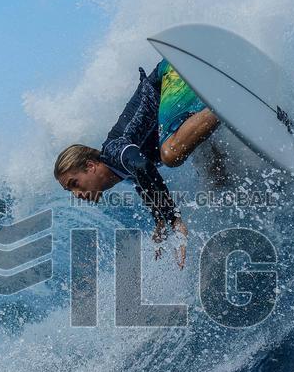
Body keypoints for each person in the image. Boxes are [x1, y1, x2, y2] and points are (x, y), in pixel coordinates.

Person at [54, 59, 221, 269]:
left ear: (89, 166)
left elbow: (143, 166)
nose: (76, 194)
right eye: (70, 190)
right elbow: (144, 182)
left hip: (174, 74)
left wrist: (174, 220)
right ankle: (230, 110)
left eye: (74, 183)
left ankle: (227, 103)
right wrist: (160, 223)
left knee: (170, 154)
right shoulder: (122, 172)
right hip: (181, 97)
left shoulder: (114, 152)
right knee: (217, 178)